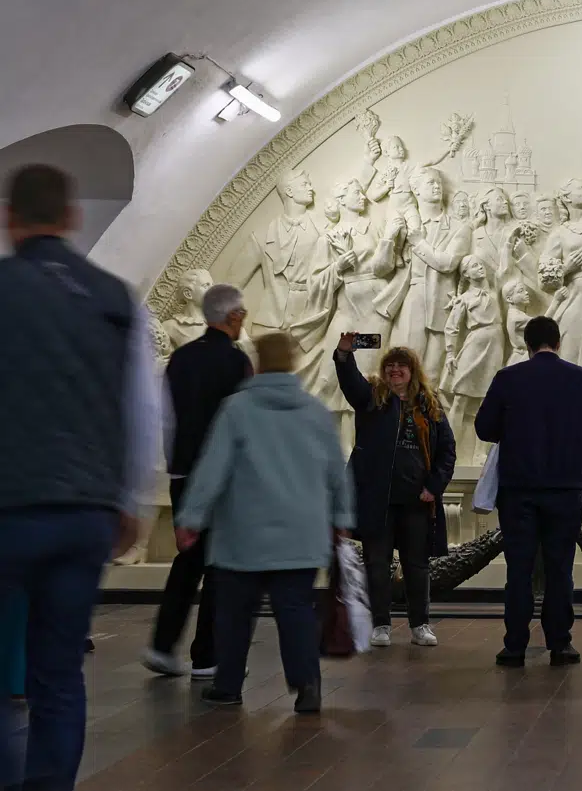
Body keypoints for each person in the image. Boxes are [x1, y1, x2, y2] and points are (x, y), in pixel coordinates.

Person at [0, 164, 161, 790]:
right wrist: (129, 501)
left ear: (11, 218)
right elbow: (145, 412)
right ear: (71, 218)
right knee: (59, 673)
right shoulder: (117, 299)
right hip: (85, 512)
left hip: (9, 505)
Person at [174, 333, 353, 713]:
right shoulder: (315, 412)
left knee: (235, 613)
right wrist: (341, 518)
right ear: (291, 364)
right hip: (301, 534)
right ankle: (307, 685)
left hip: (243, 533)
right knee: (296, 611)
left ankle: (228, 685)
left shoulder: (236, 410)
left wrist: (191, 517)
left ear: (256, 364)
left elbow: (212, 469)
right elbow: (338, 472)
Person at [474, 315, 582, 667]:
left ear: (527, 344)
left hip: (519, 487)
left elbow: (485, 428)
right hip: (565, 487)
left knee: (518, 568)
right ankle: (560, 643)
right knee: (560, 567)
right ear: (559, 341)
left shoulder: (508, 379)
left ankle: (515, 645)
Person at [146, 283, 252, 680]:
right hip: (223, 476)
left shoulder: (180, 359)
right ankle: (205, 655)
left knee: (188, 559)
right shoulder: (237, 362)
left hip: (183, 472)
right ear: (234, 317)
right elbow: (242, 423)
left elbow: (165, 418)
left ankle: (162, 645)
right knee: (219, 563)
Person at [334, 337, 456, 648]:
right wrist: (345, 354)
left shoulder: (430, 406)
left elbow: (446, 451)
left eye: (401, 366)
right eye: (390, 366)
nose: (395, 370)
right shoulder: (373, 399)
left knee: (417, 565)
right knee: (377, 563)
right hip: (379, 498)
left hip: (417, 499)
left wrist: (434, 487)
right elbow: (351, 383)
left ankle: (420, 624)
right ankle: (381, 624)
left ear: (412, 371)